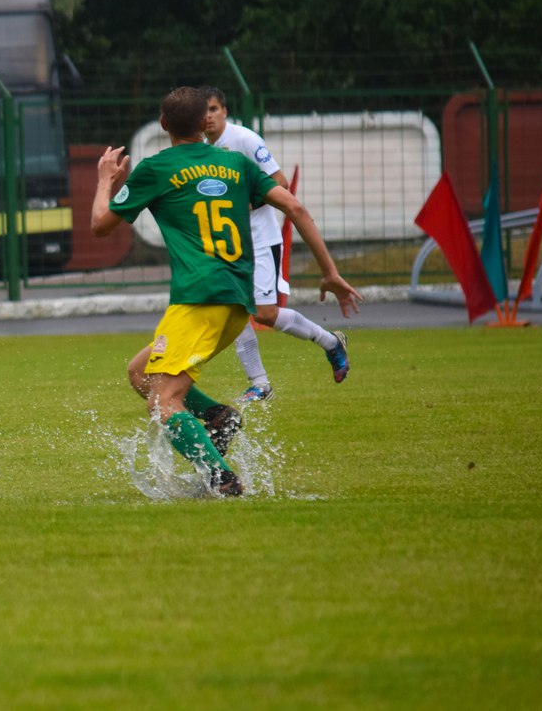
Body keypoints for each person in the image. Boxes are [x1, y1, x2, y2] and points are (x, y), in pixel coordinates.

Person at [91, 86, 361, 496]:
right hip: (238, 304)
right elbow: (296, 207)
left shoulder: (156, 168)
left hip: (198, 300)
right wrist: (330, 273)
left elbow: (99, 225)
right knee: (139, 371)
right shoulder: (236, 164)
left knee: (164, 402)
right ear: (205, 124)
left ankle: (223, 479)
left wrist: (105, 179)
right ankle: (218, 417)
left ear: (163, 125)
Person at [202, 86, 350, 403]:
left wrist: (245, 207)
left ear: (225, 111)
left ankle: (330, 342)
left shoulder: (244, 140)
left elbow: (279, 182)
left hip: (260, 238)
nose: (208, 117)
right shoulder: (203, 150)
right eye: (203, 112)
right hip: (230, 245)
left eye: (213, 109)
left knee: (266, 314)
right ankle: (260, 383)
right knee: (233, 309)